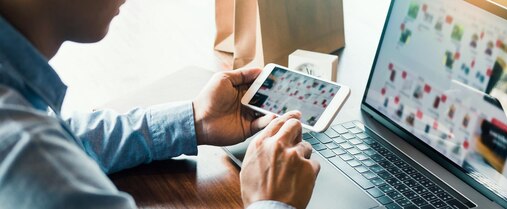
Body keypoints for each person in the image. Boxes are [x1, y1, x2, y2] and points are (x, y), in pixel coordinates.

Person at [0, 1, 320, 209]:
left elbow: (65, 139)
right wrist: (272, 203)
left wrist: (195, 120)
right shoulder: (25, 151)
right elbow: (37, 154)